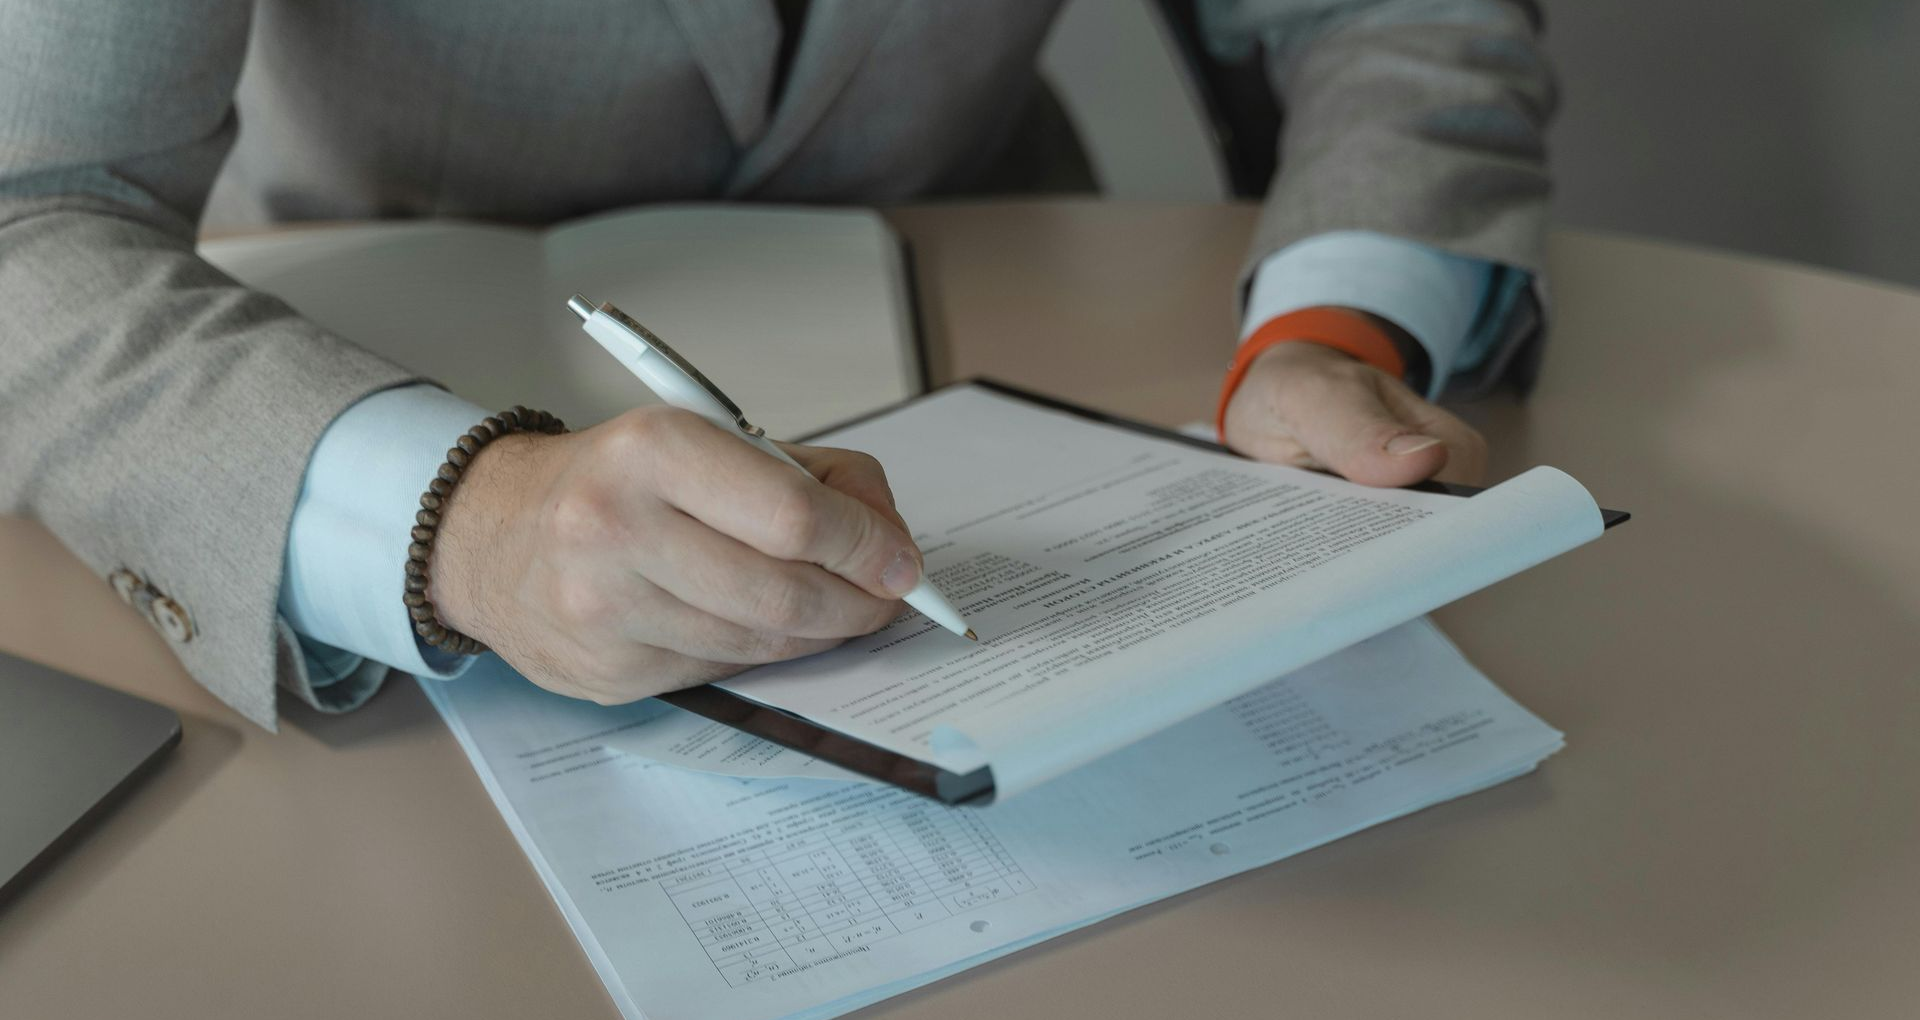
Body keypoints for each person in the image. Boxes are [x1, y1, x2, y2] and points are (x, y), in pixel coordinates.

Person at [0, 0, 1554, 730]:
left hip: (1000, 301)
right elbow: (26, 210)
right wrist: (453, 529)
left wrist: (1335, 323)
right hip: (366, 351)